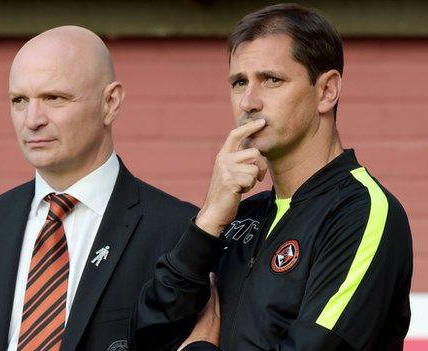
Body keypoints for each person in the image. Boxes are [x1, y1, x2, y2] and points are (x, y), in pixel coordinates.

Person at [133, 3, 413, 350]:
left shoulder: (361, 213)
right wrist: (206, 221)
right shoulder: (238, 216)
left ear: (326, 91)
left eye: (271, 80)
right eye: (239, 82)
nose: (249, 101)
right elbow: (146, 337)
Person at [0, 26, 197, 351]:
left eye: (54, 98)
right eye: (19, 100)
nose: (32, 119)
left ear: (110, 103)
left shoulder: (178, 231)